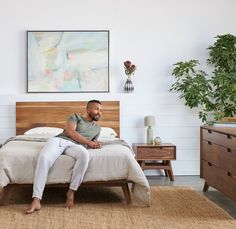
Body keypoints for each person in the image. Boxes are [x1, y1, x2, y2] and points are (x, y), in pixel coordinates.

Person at [25, 100, 102, 214]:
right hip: (60, 141)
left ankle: (71, 191)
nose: (99, 112)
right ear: (87, 109)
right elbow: (70, 132)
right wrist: (89, 143)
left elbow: (93, 142)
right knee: (44, 158)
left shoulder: (97, 129)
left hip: (76, 146)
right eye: (96, 109)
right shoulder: (75, 117)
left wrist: (96, 144)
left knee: (85, 155)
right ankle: (36, 200)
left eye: (101, 110)